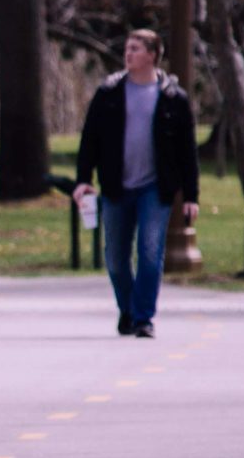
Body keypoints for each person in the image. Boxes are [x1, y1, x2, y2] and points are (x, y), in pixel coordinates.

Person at [72, 29, 200, 339]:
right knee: (115, 258)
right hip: (117, 185)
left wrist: (191, 196)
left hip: (155, 188)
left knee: (150, 250)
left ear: (153, 55)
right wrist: (82, 180)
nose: (127, 54)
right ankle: (127, 309)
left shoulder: (173, 98)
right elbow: (90, 139)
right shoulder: (109, 93)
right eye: (127, 48)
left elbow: (187, 151)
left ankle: (143, 317)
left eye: (135, 49)